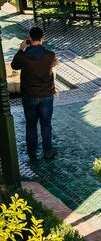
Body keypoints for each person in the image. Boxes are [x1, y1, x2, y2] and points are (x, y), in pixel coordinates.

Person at [10, 27, 57, 161]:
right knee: (46, 124)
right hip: (46, 95)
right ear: (43, 38)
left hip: (29, 95)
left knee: (30, 125)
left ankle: (32, 153)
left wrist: (21, 49)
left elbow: (14, 66)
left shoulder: (23, 57)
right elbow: (53, 65)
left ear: (30, 39)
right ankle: (48, 152)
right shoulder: (50, 55)